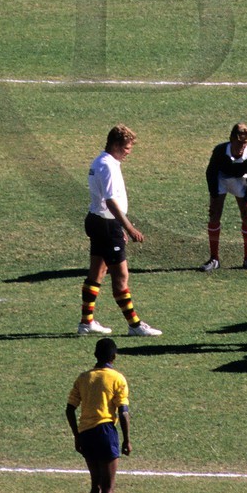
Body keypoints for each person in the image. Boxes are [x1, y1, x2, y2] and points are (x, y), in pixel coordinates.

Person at [80, 125, 161, 338]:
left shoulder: (102, 161)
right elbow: (110, 201)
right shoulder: (107, 166)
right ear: (115, 145)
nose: (128, 152)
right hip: (106, 224)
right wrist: (128, 227)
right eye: (126, 148)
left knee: (97, 272)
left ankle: (86, 322)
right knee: (121, 276)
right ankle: (135, 325)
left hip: (99, 221)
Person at [66, 337, 130, 493]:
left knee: (96, 485)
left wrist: (76, 435)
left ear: (95, 355)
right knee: (109, 485)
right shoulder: (117, 378)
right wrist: (127, 440)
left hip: (86, 433)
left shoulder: (84, 378)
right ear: (114, 356)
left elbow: (69, 408)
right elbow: (123, 411)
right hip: (105, 431)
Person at [201, 122, 247, 271]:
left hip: (239, 180)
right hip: (221, 179)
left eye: (245, 143)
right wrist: (214, 196)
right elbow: (211, 173)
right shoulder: (220, 151)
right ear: (231, 139)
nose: (241, 147)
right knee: (214, 215)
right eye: (239, 143)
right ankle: (214, 259)